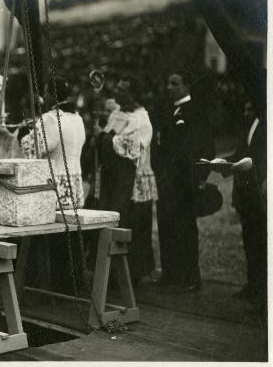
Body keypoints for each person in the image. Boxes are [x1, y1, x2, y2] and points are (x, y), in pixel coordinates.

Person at [153, 73, 214, 292]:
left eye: (175, 84)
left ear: (187, 86)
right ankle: (170, 274)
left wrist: (201, 177)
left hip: (186, 183)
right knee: (166, 225)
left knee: (186, 229)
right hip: (166, 182)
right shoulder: (165, 112)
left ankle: (190, 277)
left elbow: (206, 147)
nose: (169, 88)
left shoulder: (196, 112)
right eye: (168, 83)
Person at [93, 78, 158, 284]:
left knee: (132, 224)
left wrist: (102, 137)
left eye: (122, 90)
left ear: (133, 94)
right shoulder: (117, 113)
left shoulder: (142, 119)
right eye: (117, 89)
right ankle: (111, 273)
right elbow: (110, 136)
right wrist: (102, 137)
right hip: (113, 179)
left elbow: (130, 147)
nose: (117, 93)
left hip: (132, 181)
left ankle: (132, 274)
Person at [212, 101, 266, 307]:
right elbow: (241, 155)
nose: (245, 112)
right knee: (249, 241)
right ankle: (253, 285)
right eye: (244, 108)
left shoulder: (264, 127)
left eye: (249, 108)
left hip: (257, 195)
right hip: (245, 195)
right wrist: (223, 165)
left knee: (260, 243)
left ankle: (261, 291)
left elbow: (257, 159)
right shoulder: (247, 128)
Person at [21, 76, 86, 208]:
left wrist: (23, 133)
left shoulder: (50, 119)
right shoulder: (78, 119)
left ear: (52, 95)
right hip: (74, 186)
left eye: (45, 92)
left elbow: (31, 149)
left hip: (55, 187)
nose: (44, 97)